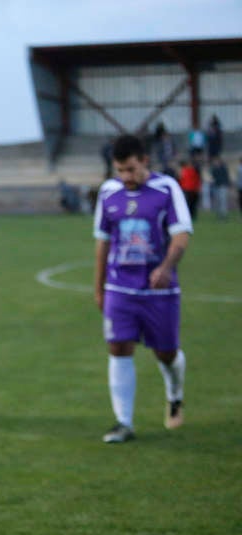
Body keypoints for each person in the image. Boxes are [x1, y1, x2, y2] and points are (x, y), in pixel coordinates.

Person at [93, 134, 193, 444]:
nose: (126, 177)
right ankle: (124, 422)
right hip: (119, 287)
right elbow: (102, 242)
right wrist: (98, 288)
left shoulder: (166, 189)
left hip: (159, 291)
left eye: (131, 169)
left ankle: (175, 394)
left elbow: (181, 237)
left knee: (165, 353)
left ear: (144, 161)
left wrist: (165, 268)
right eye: (120, 170)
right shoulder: (108, 193)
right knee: (118, 347)